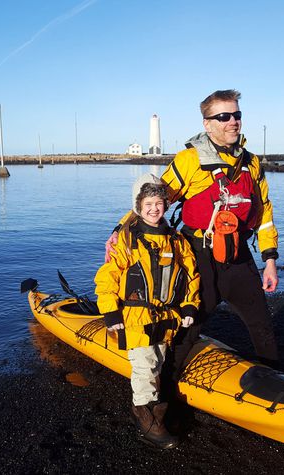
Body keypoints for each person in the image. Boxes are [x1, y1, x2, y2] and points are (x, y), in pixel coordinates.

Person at [105, 89, 280, 386]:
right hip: (199, 255)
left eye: (237, 115)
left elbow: (264, 215)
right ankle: (165, 393)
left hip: (238, 256)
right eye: (223, 116)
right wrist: (119, 231)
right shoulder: (189, 160)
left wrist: (270, 260)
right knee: (189, 327)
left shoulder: (252, 163)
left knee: (262, 325)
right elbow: (153, 200)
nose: (233, 122)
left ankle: (278, 383)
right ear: (207, 123)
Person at [94, 173, 200, 449]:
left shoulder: (176, 240)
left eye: (159, 203)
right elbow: (108, 278)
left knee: (158, 363)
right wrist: (110, 311)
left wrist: (190, 304)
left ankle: (157, 411)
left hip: (166, 317)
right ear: (138, 207)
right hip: (136, 316)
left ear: (166, 205)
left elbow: (191, 275)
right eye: (148, 204)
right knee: (144, 367)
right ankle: (145, 418)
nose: (154, 209)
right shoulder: (127, 242)